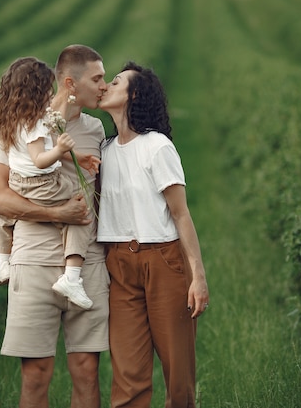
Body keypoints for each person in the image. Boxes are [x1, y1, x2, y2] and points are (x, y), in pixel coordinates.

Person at [0, 44, 109, 408]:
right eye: (97, 78)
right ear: (70, 84)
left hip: (87, 264)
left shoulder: (96, 128)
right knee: (36, 373)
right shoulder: (22, 125)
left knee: (86, 369)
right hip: (33, 259)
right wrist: (57, 215)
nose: (103, 85)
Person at [97, 61, 210, 408]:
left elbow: (180, 213)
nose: (106, 86)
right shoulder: (103, 151)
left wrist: (198, 276)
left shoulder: (157, 146)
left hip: (163, 261)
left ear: (133, 95)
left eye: (114, 82)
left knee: (178, 375)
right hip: (119, 264)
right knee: (127, 374)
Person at [0, 56, 100, 310]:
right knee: (82, 207)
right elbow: (40, 159)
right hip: (43, 183)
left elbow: (27, 155)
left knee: (2, 216)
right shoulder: (37, 124)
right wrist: (61, 146)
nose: (51, 96)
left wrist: (78, 157)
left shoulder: (11, 121)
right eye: (47, 91)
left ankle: (2, 261)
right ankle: (72, 277)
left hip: (18, 182)